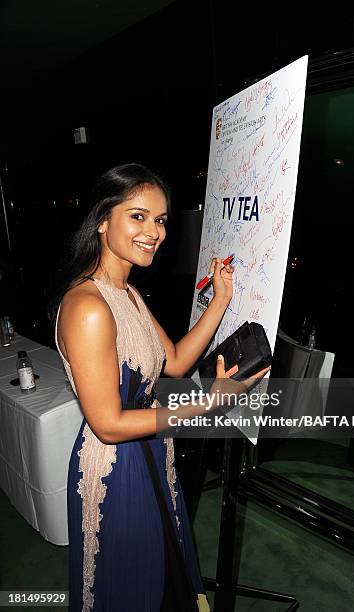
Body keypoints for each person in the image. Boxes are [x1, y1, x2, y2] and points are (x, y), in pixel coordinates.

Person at [52, 163, 269, 612]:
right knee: (129, 586)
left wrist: (221, 300)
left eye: (161, 220)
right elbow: (109, 425)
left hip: (150, 450)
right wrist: (207, 405)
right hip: (116, 465)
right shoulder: (88, 307)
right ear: (102, 220)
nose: (154, 231)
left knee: (162, 575)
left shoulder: (127, 292)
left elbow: (175, 361)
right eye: (138, 216)